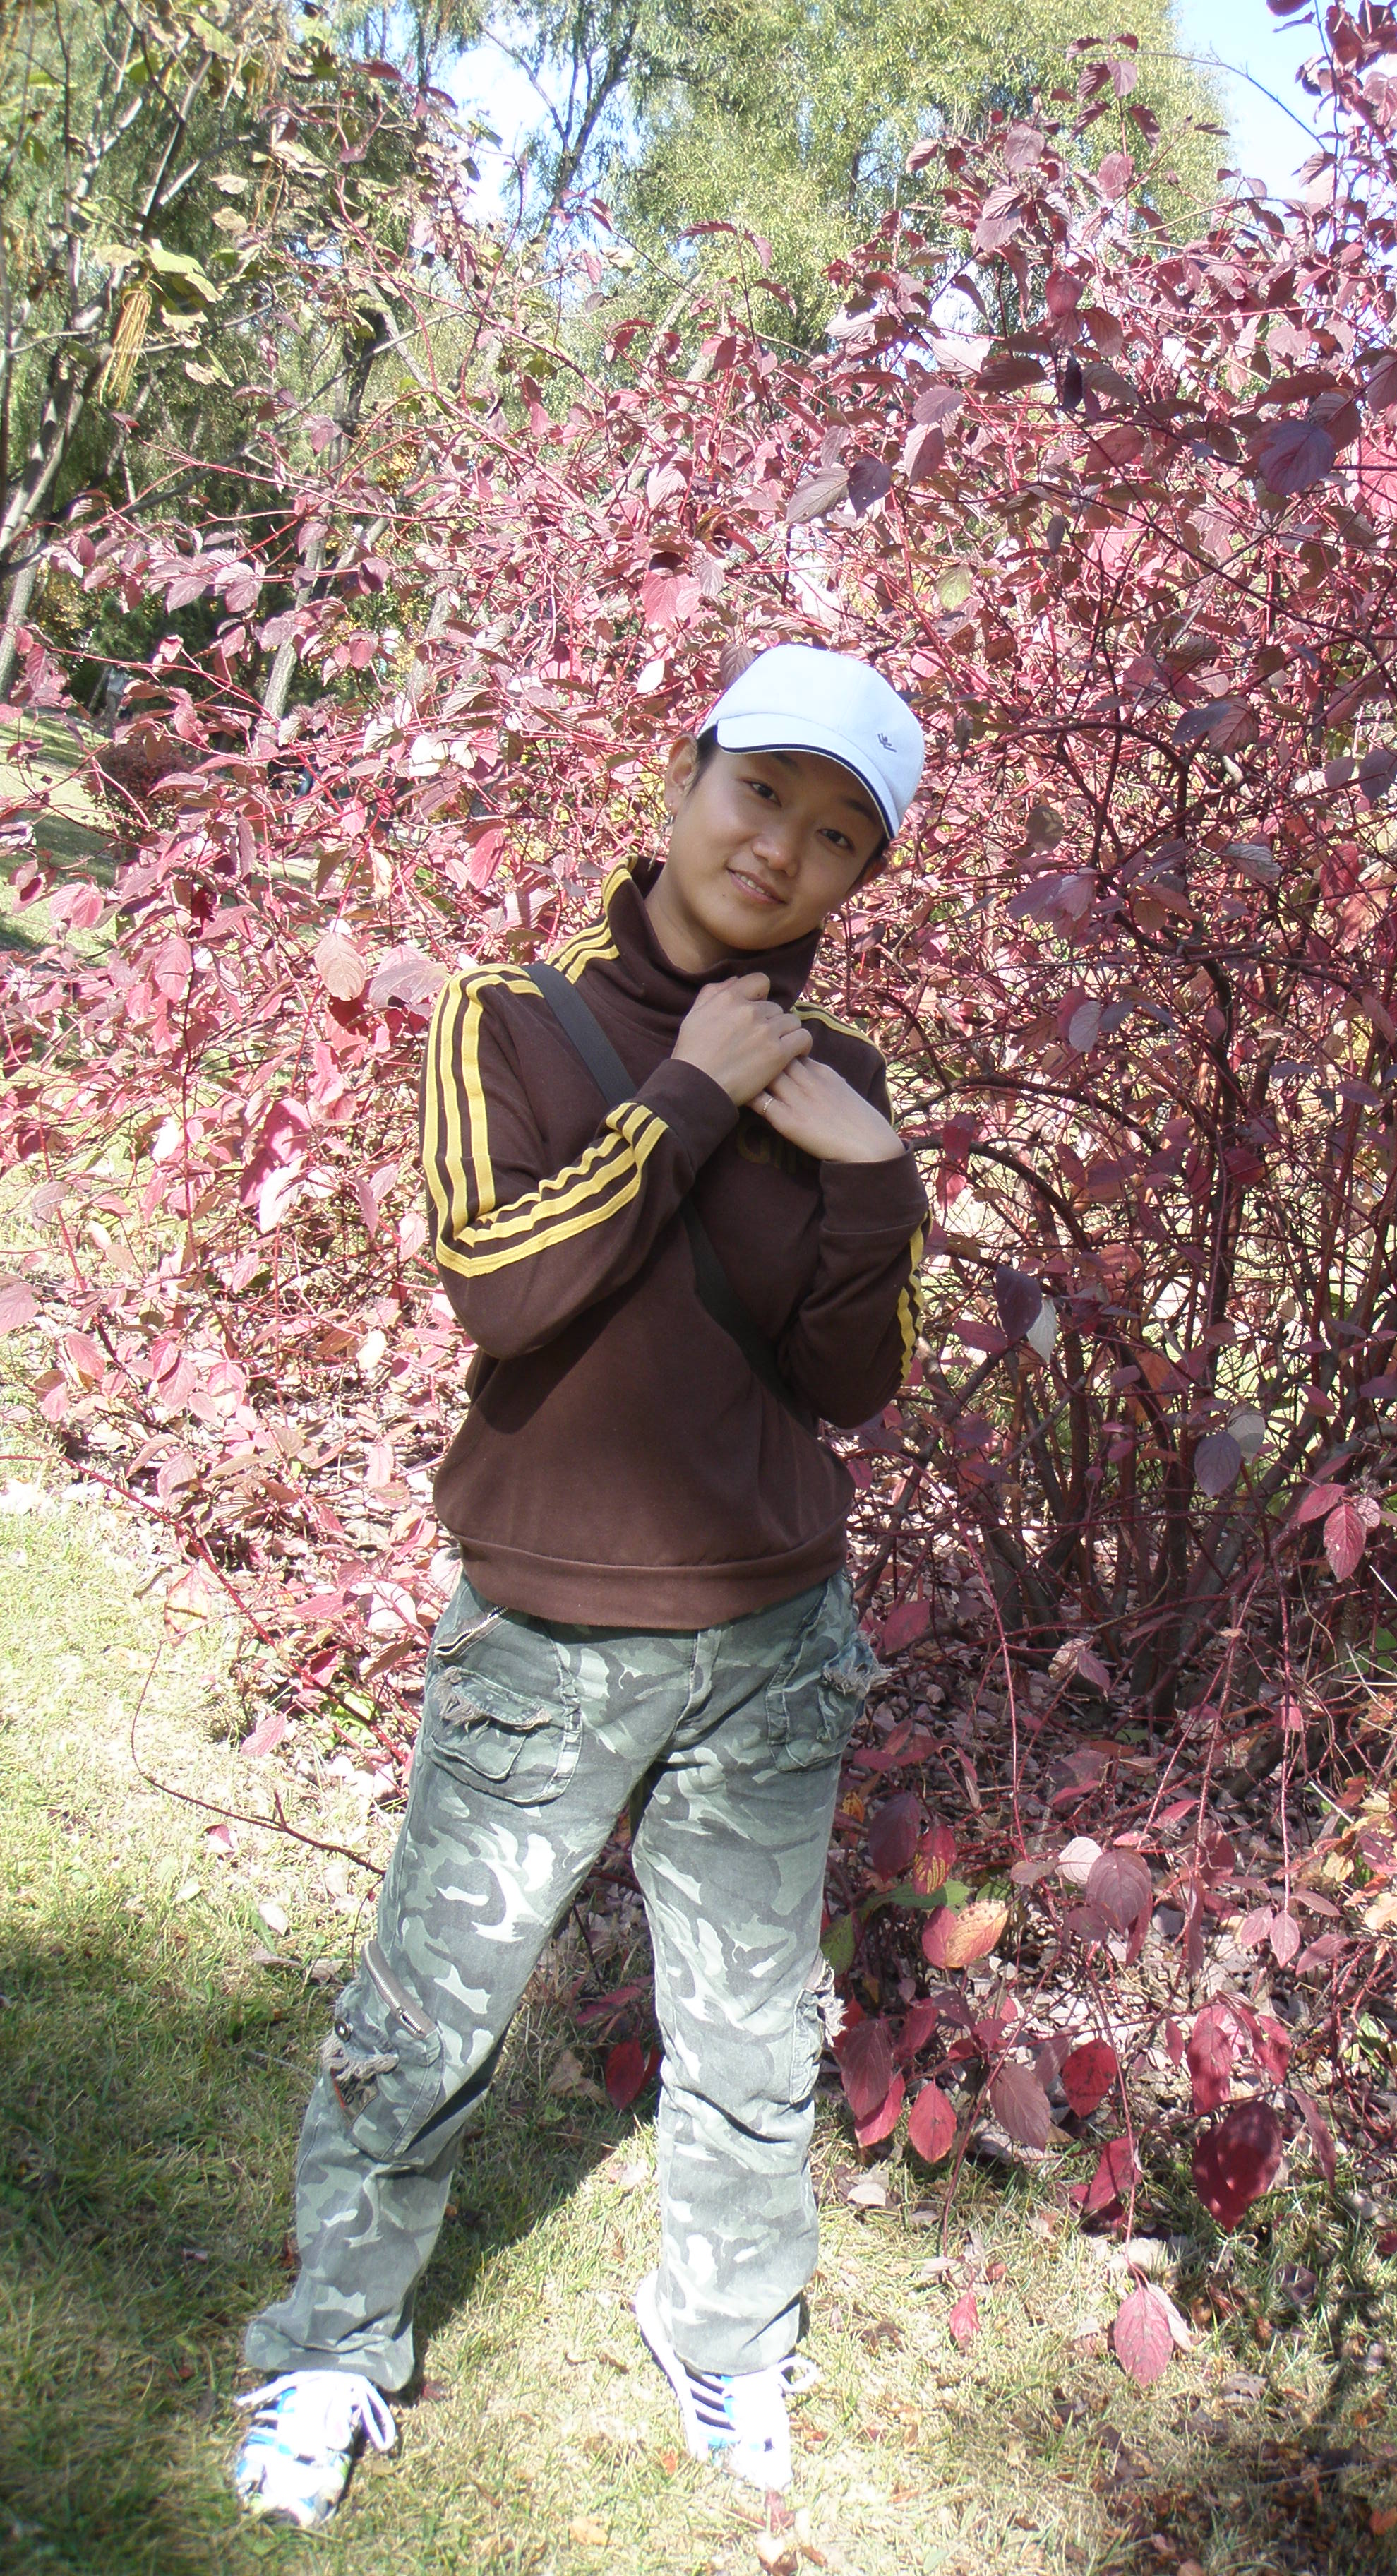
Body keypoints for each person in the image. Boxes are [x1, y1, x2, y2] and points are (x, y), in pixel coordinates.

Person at [231, 644, 929, 2527]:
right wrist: (689, 1098)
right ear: (685, 781)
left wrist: (876, 1180)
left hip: (773, 1641)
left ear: (860, 877)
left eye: (835, 833)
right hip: (548, 1634)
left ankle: (727, 2336)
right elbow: (500, 1284)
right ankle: (331, 2349)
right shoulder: (511, 1021)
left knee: (749, 2030)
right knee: (428, 2018)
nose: (778, 849)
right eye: (759, 793)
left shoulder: (841, 1078)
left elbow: (845, 1384)